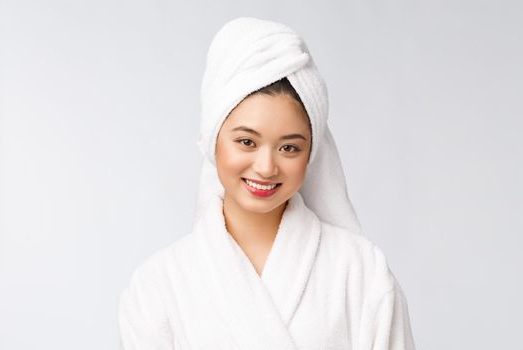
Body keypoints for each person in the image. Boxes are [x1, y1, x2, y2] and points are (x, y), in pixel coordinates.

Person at [118, 16, 416, 350]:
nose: (266, 166)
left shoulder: (361, 271)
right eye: (246, 142)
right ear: (212, 139)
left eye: (289, 148)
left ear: (312, 153)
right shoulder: (158, 284)